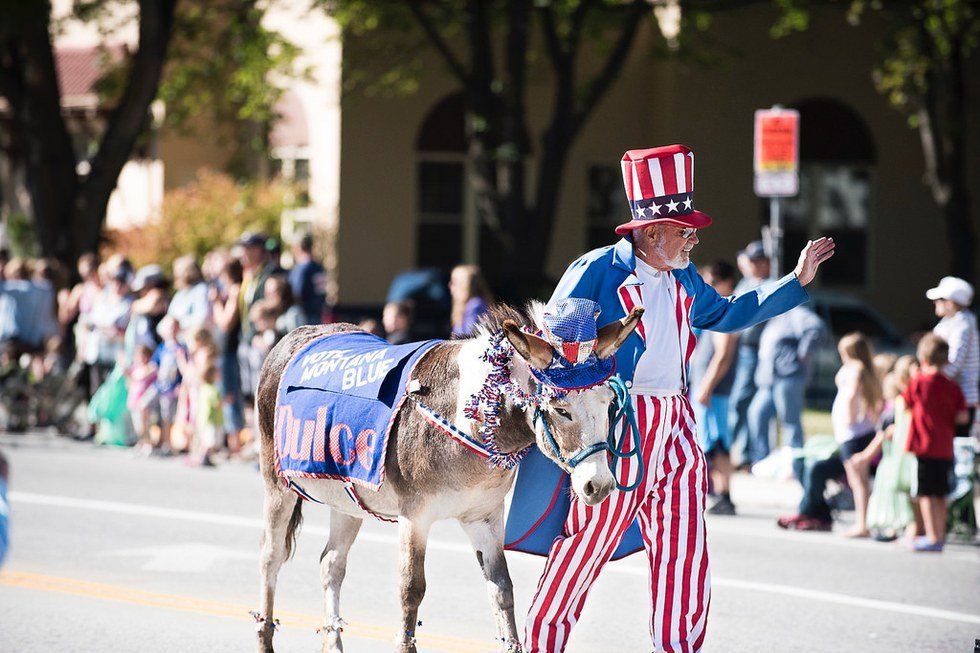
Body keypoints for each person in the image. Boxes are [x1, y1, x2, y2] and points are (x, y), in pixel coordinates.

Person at [511, 144, 835, 652]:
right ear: (651, 231)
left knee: (686, 550)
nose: (694, 238)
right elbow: (552, 344)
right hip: (620, 421)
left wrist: (794, 282)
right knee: (588, 544)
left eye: (693, 231)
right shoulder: (597, 270)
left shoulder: (682, 275)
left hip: (678, 420)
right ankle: (539, 645)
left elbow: (728, 313)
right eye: (685, 230)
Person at [903, 334, 969, 552]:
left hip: (923, 444)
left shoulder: (918, 381)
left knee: (926, 494)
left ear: (923, 356)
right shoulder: (952, 386)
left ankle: (931, 536)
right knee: (940, 494)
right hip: (945, 446)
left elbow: (905, 403)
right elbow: (962, 417)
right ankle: (940, 535)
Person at [746, 304, 826, 477]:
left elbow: (816, 327)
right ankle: (762, 461)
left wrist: (803, 354)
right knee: (756, 414)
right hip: (769, 380)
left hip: (788, 376)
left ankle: (795, 467)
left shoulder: (795, 312)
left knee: (790, 421)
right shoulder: (776, 317)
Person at [688, 260, 739, 515]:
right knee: (709, 442)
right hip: (707, 390)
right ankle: (717, 491)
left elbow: (723, 355)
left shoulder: (724, 312)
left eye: (711, 283)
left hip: (714, 393)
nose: (707, 287)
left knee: (717, 443)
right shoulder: (715, 311)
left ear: (725, 283)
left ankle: (725, 494)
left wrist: (706, 386)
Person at [831, 333, 883, 537]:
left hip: (851, 432)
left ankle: (862, 524)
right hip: (861, 430)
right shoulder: (867, 369)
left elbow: (852, 394)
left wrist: (849, 417)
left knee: (857, 481)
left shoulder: (854, 369)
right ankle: (864, 521)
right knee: (860, 480)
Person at [728, 240, 771, 467]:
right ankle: (738, 449)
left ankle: (743, 452)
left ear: (764, 263)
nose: (749, 265)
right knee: (739, 401)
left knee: (744, 401)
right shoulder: (747, 282)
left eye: (754, 261)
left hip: (756, 352)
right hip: (740, 349)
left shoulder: (768, 285)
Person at [927, 276, 978, 436]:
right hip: (950, 397)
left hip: (961, 399)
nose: (935, 302)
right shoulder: (950, 323)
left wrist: (930, 381)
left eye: (939, 299)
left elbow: (954, 363)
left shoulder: (962, 326)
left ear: (950, 303)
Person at [211, 256, 245, 454]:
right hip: (222, 350)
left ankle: (235, 444)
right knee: (225, 395)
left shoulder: (234, 289)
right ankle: (230, 440)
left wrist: (216, 303)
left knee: (230, 395)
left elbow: (225, 322)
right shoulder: (225, 290)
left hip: (229, 351)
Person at [152, 315, 184, 456]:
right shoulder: (162, 347)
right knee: (154, 412)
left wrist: (181, 385)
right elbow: (154, 365)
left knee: (167, 416)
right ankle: (152, 441)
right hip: (160, 385)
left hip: (171, 387)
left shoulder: (181, 348)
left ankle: (167, 444)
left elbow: (183, 369)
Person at [288, 234, 327, 325]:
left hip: (302, 317)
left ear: (298, 247)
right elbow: (322, 293)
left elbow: (296, 293)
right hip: (318, 314)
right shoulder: (318, 267)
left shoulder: (301, 269)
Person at [127, 343, 158, 456]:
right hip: (134, 400)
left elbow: (144, 376)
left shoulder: (150, 368)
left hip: (144, 403)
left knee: (144, 424)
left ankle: (148, 444)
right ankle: (141, 442)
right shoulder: (135, 368)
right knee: (137, 426)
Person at [167, 256, 210, 334]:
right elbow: (169, 319)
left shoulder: (201, 290)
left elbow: (202, 318)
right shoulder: (179, 294)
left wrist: (180, 326)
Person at [449, 264, 491, 337]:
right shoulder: (463, 306)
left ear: (465, 285)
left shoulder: (475, 305)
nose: (449, 285)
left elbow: (469, 337)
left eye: (454, 282)